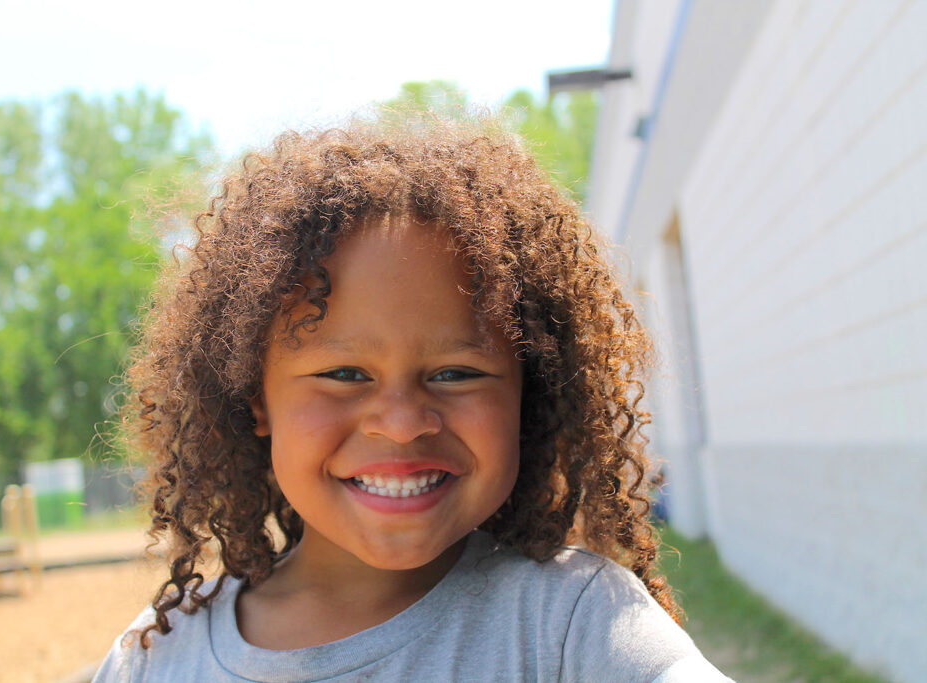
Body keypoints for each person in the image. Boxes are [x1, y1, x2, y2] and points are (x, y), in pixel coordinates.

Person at [94, 116, 729, 682]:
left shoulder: (574, 629)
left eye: (455, 374)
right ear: (254, 400)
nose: (401, 424)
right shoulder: (153, 660)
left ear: (527, 395)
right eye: (344, 373)